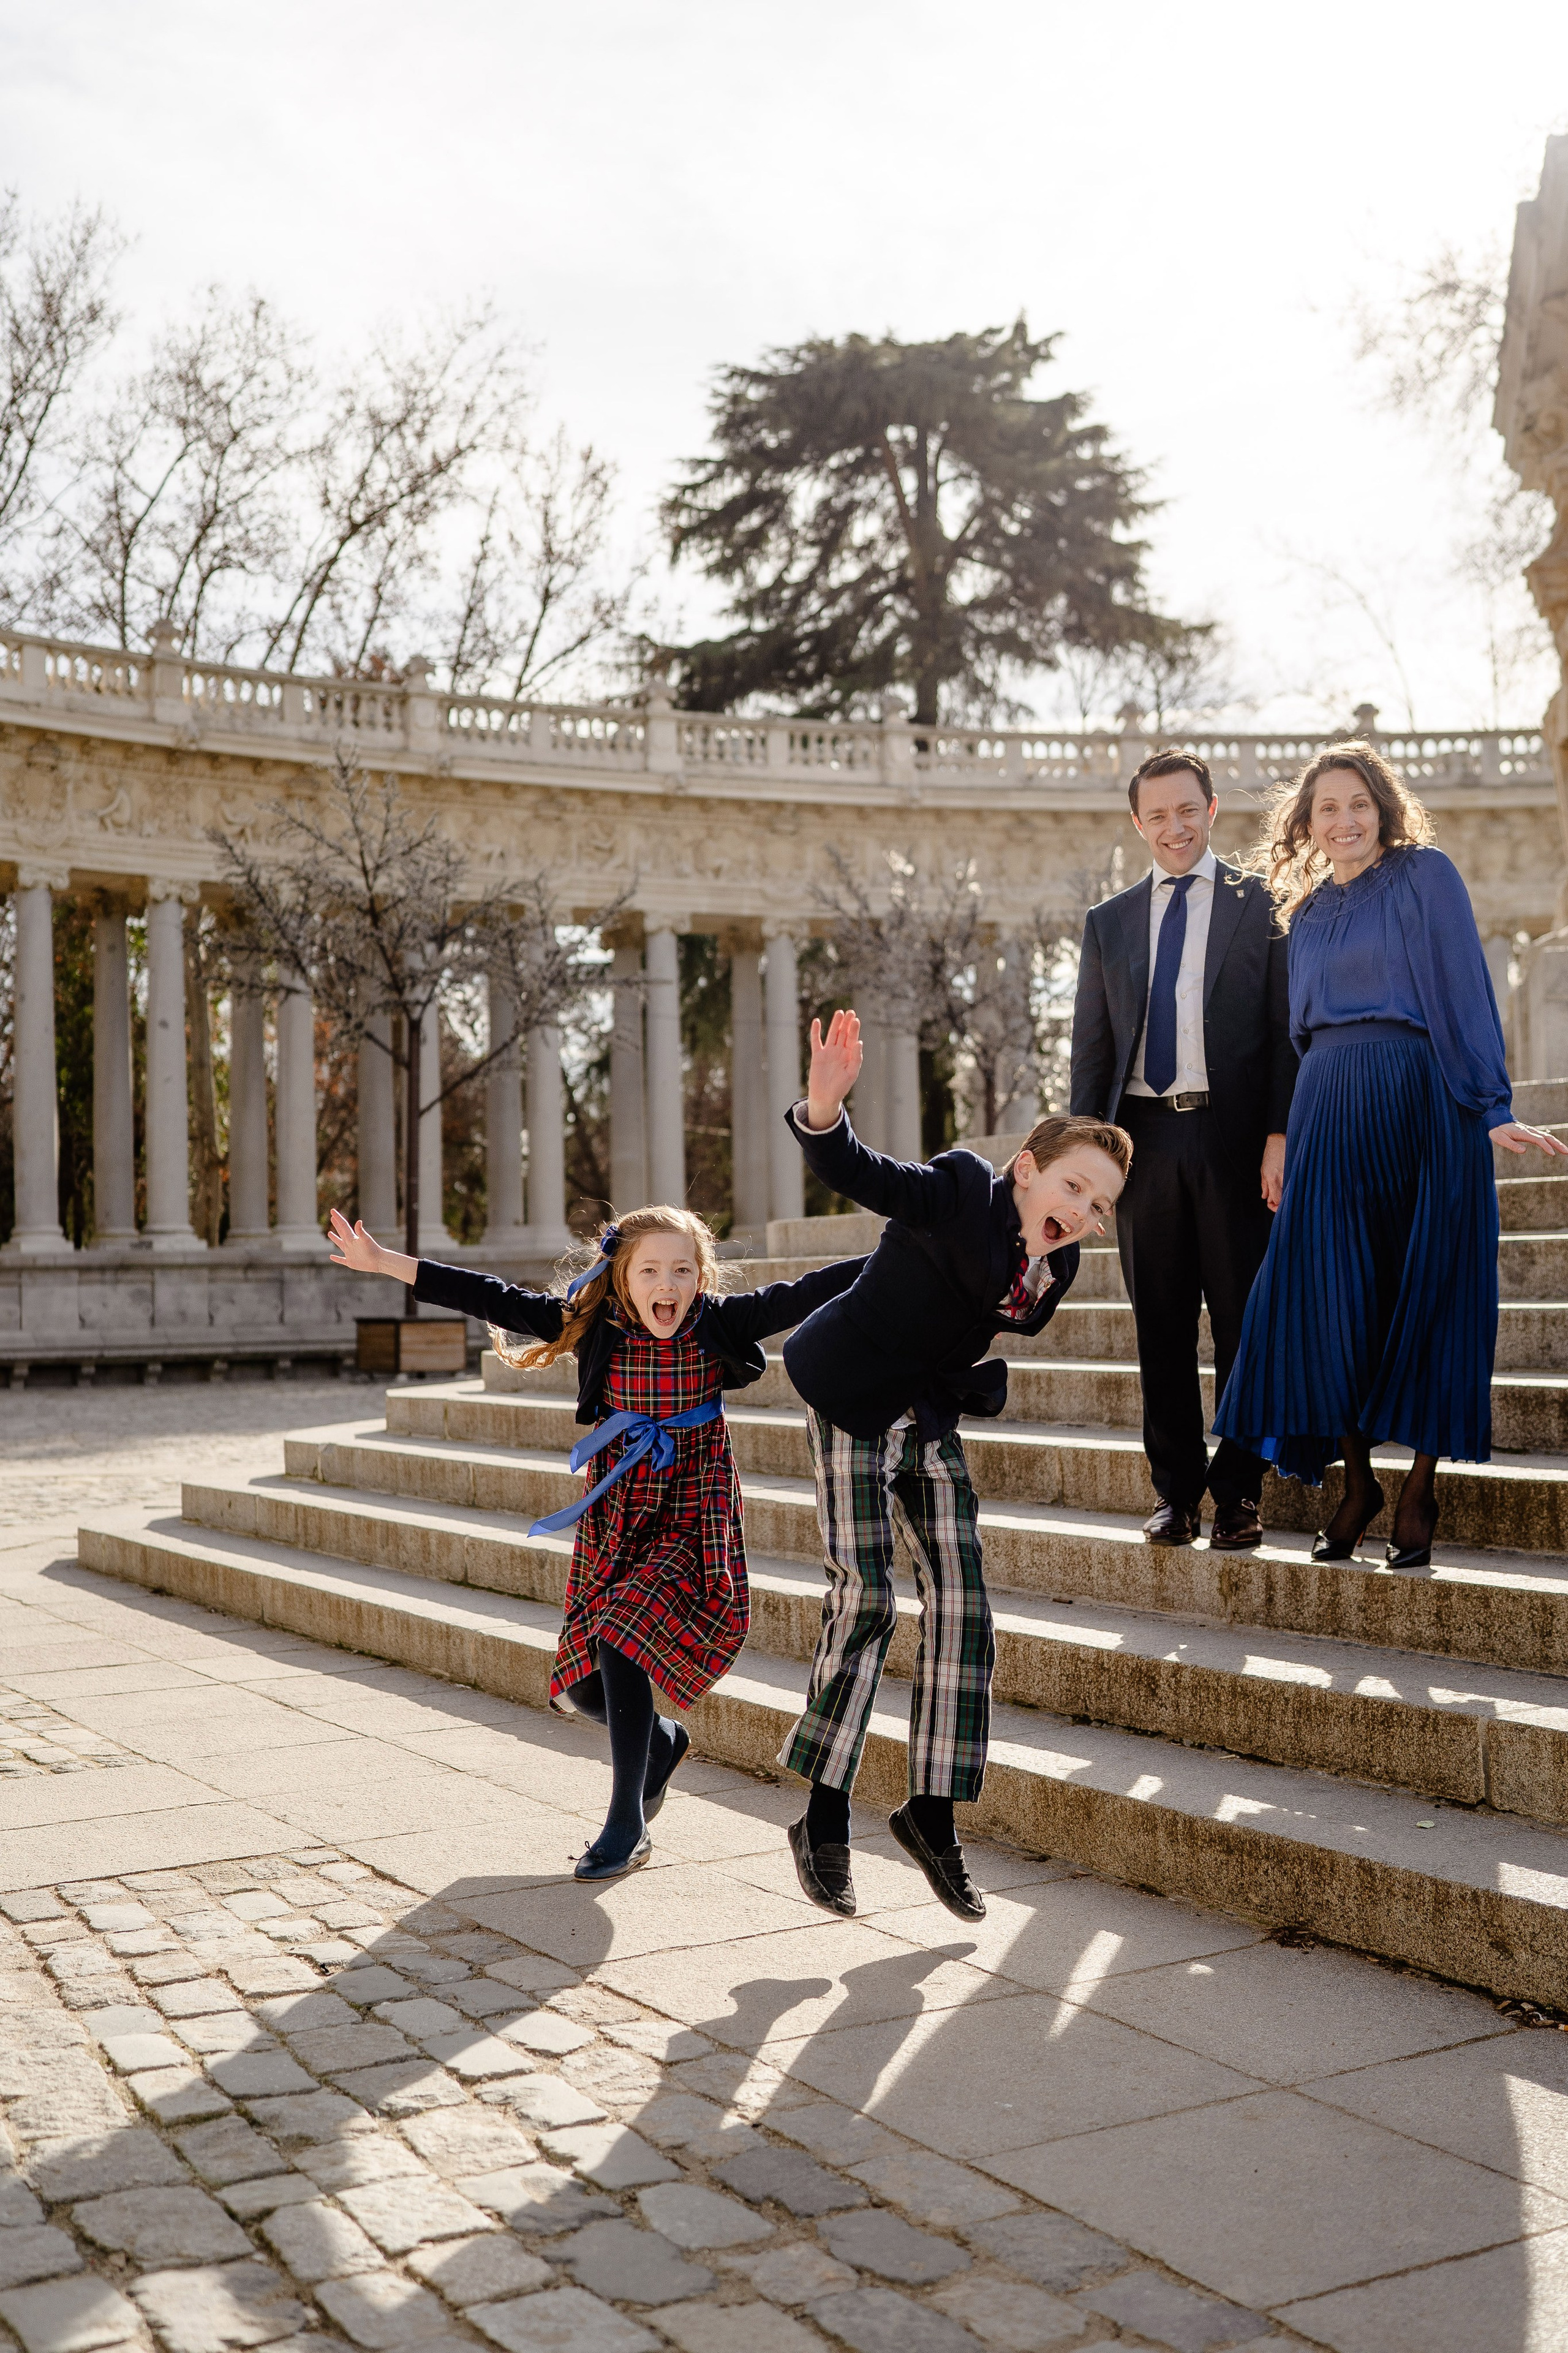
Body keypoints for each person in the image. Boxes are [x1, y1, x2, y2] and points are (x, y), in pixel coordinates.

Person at [327, 1203, 863, 1882]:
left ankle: (625, 1823)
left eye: (681, 1270)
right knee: (582, 1685)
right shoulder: (593, 1322)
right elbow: (487, 1294)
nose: (666, 1284)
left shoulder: (722, 1321)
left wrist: (924, 1247)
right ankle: (661, 1744)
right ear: (621, 1276)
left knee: (619, 1631)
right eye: (649, 1270)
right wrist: (386, 1263)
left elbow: (816, 1286)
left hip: (690, 1511)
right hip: (617, 1510)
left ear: (701, 1276)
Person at [778, 1008, 1131, 1923]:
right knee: (867, 1598)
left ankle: (929, 1811)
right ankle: (821, 1814)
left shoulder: (1059, 1271)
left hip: (928, 1417)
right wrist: (824, 1109)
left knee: (965, 1602)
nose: (1084, 1213)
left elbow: (981, 1322)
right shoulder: (956, 1187)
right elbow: (861, 1173)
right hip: (852, 1397)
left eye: (1100, 1206)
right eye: (1075, 1187)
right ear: (1027, 1169)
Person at [1212, 742, 1568, 1565]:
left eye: (1359, 804)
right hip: (1329, 1105)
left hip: (1421, 1098)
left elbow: (1461, 989)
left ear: (1384, 809)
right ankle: (1359, 1480)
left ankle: (1419, 1487)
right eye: (1328, 808)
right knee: (1326, 1296)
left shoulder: (1424, 875)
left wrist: (1489, 1105)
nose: (1345, 820)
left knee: (1426, 1288)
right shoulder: (1301, 913)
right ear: (1306, 823)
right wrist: (1293, 1136)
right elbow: (1300, 1035)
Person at [1069, 748, 1298, 1548]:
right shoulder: (1109, 924)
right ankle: (1175, 1492)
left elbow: (1283, 1033)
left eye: (1187, 810)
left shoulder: (1265, 904)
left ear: (1212, 811)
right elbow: (1091, 1055)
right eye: (1157, 815)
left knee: (1242, 1321)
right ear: (1138, 824)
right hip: (1144, 1140)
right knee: (1159, 1325)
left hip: (1234, 1138)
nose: (1175, 827)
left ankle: (1237, 1492)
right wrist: (1084, 1171)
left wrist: (1277, 1133)